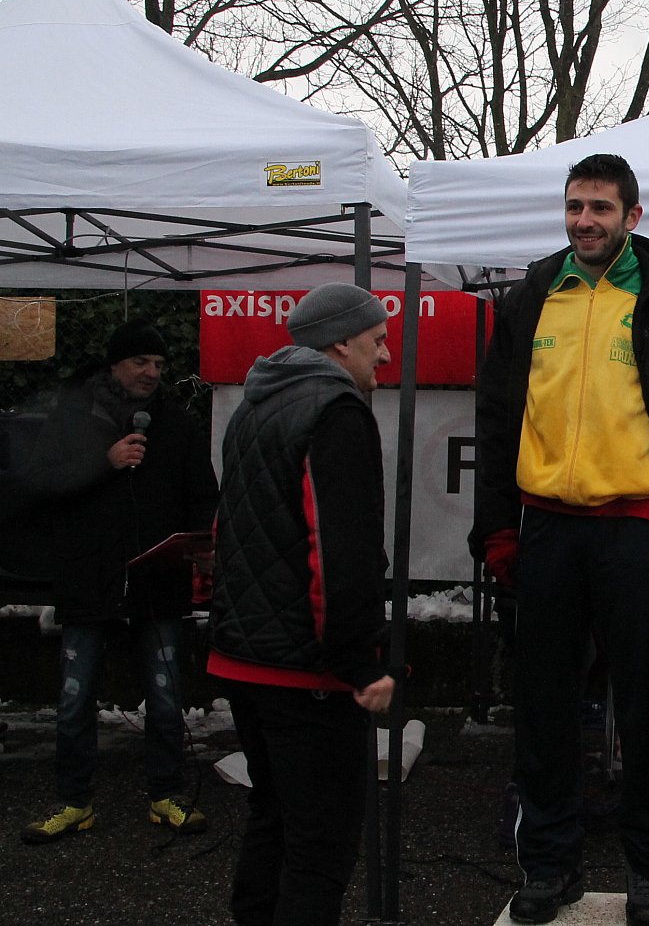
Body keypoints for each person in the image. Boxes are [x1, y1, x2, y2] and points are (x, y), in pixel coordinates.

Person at [470, 153, 649, 926]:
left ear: (632, 217)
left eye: (602, 209)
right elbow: (495, 423)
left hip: (637, 533)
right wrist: (495, 529)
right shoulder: (528, 300)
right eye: (576, 206)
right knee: (544, 712)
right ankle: (548, 868)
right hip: (547, 529)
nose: (586, 220)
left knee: (647, 710)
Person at [208, 283, 397, 926]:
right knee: (320, 846)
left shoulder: (255, 405)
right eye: (376, 342)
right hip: (304, 671)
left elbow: (229, 533)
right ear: (340, 343)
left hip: (244, 658)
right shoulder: (335, 411)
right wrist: (359, 663)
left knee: (275, 821)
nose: (387, 356)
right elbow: (338, 551)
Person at [20, 318, 218, 845]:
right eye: (140, 363)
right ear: (114, 365)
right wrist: (104, 462)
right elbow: (39, 483)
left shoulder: (174, 421)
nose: (152, 373)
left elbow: (203, 491)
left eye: (158, 364)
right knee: (74, 696)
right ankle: (74, 801)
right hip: (89, 580)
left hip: (158, 584)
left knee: (166, 695)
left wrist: (200, 545)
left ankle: (166, 793)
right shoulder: (73, 416)